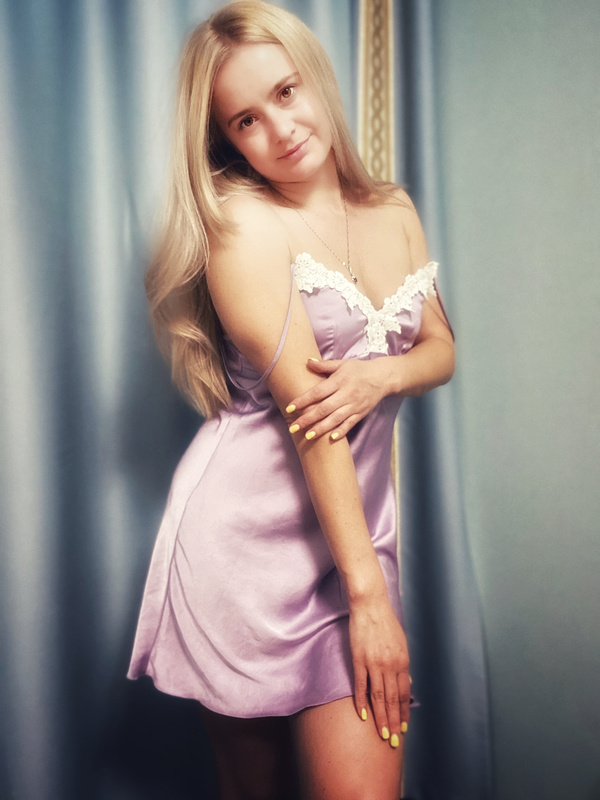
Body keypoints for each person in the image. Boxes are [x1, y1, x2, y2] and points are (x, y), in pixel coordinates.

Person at [127, 2, 454, 798]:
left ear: (315, 76)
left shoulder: (395, 209)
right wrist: (370, 600)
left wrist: (381, 375)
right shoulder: (242, 226)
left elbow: (440, 348)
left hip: (355, 542)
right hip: (245, 557)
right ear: (226, 141)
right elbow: (315, 424)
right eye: (245, 119)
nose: (279, 128)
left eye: (285, 91)